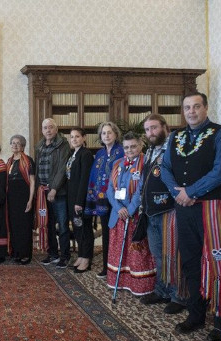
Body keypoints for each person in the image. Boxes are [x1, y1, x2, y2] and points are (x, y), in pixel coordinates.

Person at [161, 92, 221, 341]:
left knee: (217, 263)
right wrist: (178, 193)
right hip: (184, 209)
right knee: (190, 261)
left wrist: (191, 192)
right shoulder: (175, 136)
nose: (191, 112)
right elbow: (165, 168)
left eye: (196, 107)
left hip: (211, 208)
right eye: (187, 108)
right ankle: (196, 315)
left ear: (205, 107)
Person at [137, 114, 186, 314]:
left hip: (169, 210)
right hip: (151, 211)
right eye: (148, 129)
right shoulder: (149, 150)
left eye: (154, 128)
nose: (151, 133)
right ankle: (162, 290)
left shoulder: (174, 149)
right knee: (158, 255)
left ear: (165, 127)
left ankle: (178, 296)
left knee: (173, 255)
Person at [105, 132, 155, 295]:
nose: (129, 150)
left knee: (136, 253)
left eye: (133, 146)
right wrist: (119, 208)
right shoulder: (118, 163)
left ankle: (138, 285)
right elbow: (110, 191)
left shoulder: (145, 163)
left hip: (135, 216)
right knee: (119, 250)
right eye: (126, 147)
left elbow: (142, 191)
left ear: (141, 145)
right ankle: (119, 282)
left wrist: (130, 210)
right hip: (118, 214)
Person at [84, 122, 124, 278]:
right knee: (107, 233)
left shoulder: (121, 151)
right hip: (101, 199)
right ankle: (107, 267)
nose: (106, 136)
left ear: (115, 134)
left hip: (117, 199)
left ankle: (117, 267)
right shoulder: (100, 153)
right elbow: (94, 175)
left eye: (109, 133)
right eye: (103, 133)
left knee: (117, 233)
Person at [35, 118, 71, 268]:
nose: (48, 130)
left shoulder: (63, 145)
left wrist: (54, 188)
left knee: (62, 225)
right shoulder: (39, 146)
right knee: (47, 224)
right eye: (45, 128)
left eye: (51, 127)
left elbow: (62, 168)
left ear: (56, 130)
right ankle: (52, 254)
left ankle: (65, 255)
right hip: (43, 191)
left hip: (59, 192)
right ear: (42, 131)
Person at [65, 128, 94, 273]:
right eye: (72, 137)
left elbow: (84, 179)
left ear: (84, 137)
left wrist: (79, 201)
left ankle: (87, 259)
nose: (74, 139)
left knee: (84, 228)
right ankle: (81, 255)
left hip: (80, 198)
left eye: (77, 136)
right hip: (71, 196)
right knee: (77, 227)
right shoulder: (72, 154)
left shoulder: (86, 154)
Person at [6, 134, 35, 265]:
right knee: (14, 226)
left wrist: (30, 200)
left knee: (24, 226)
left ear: (23, 146)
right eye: (13, 143)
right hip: (12, 199)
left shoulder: (28, 160)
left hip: (24, 198)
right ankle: (16, 252)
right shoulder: (9, 161)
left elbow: (33, 182)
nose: (15, 145)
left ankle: (25, 254)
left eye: (18, 143)